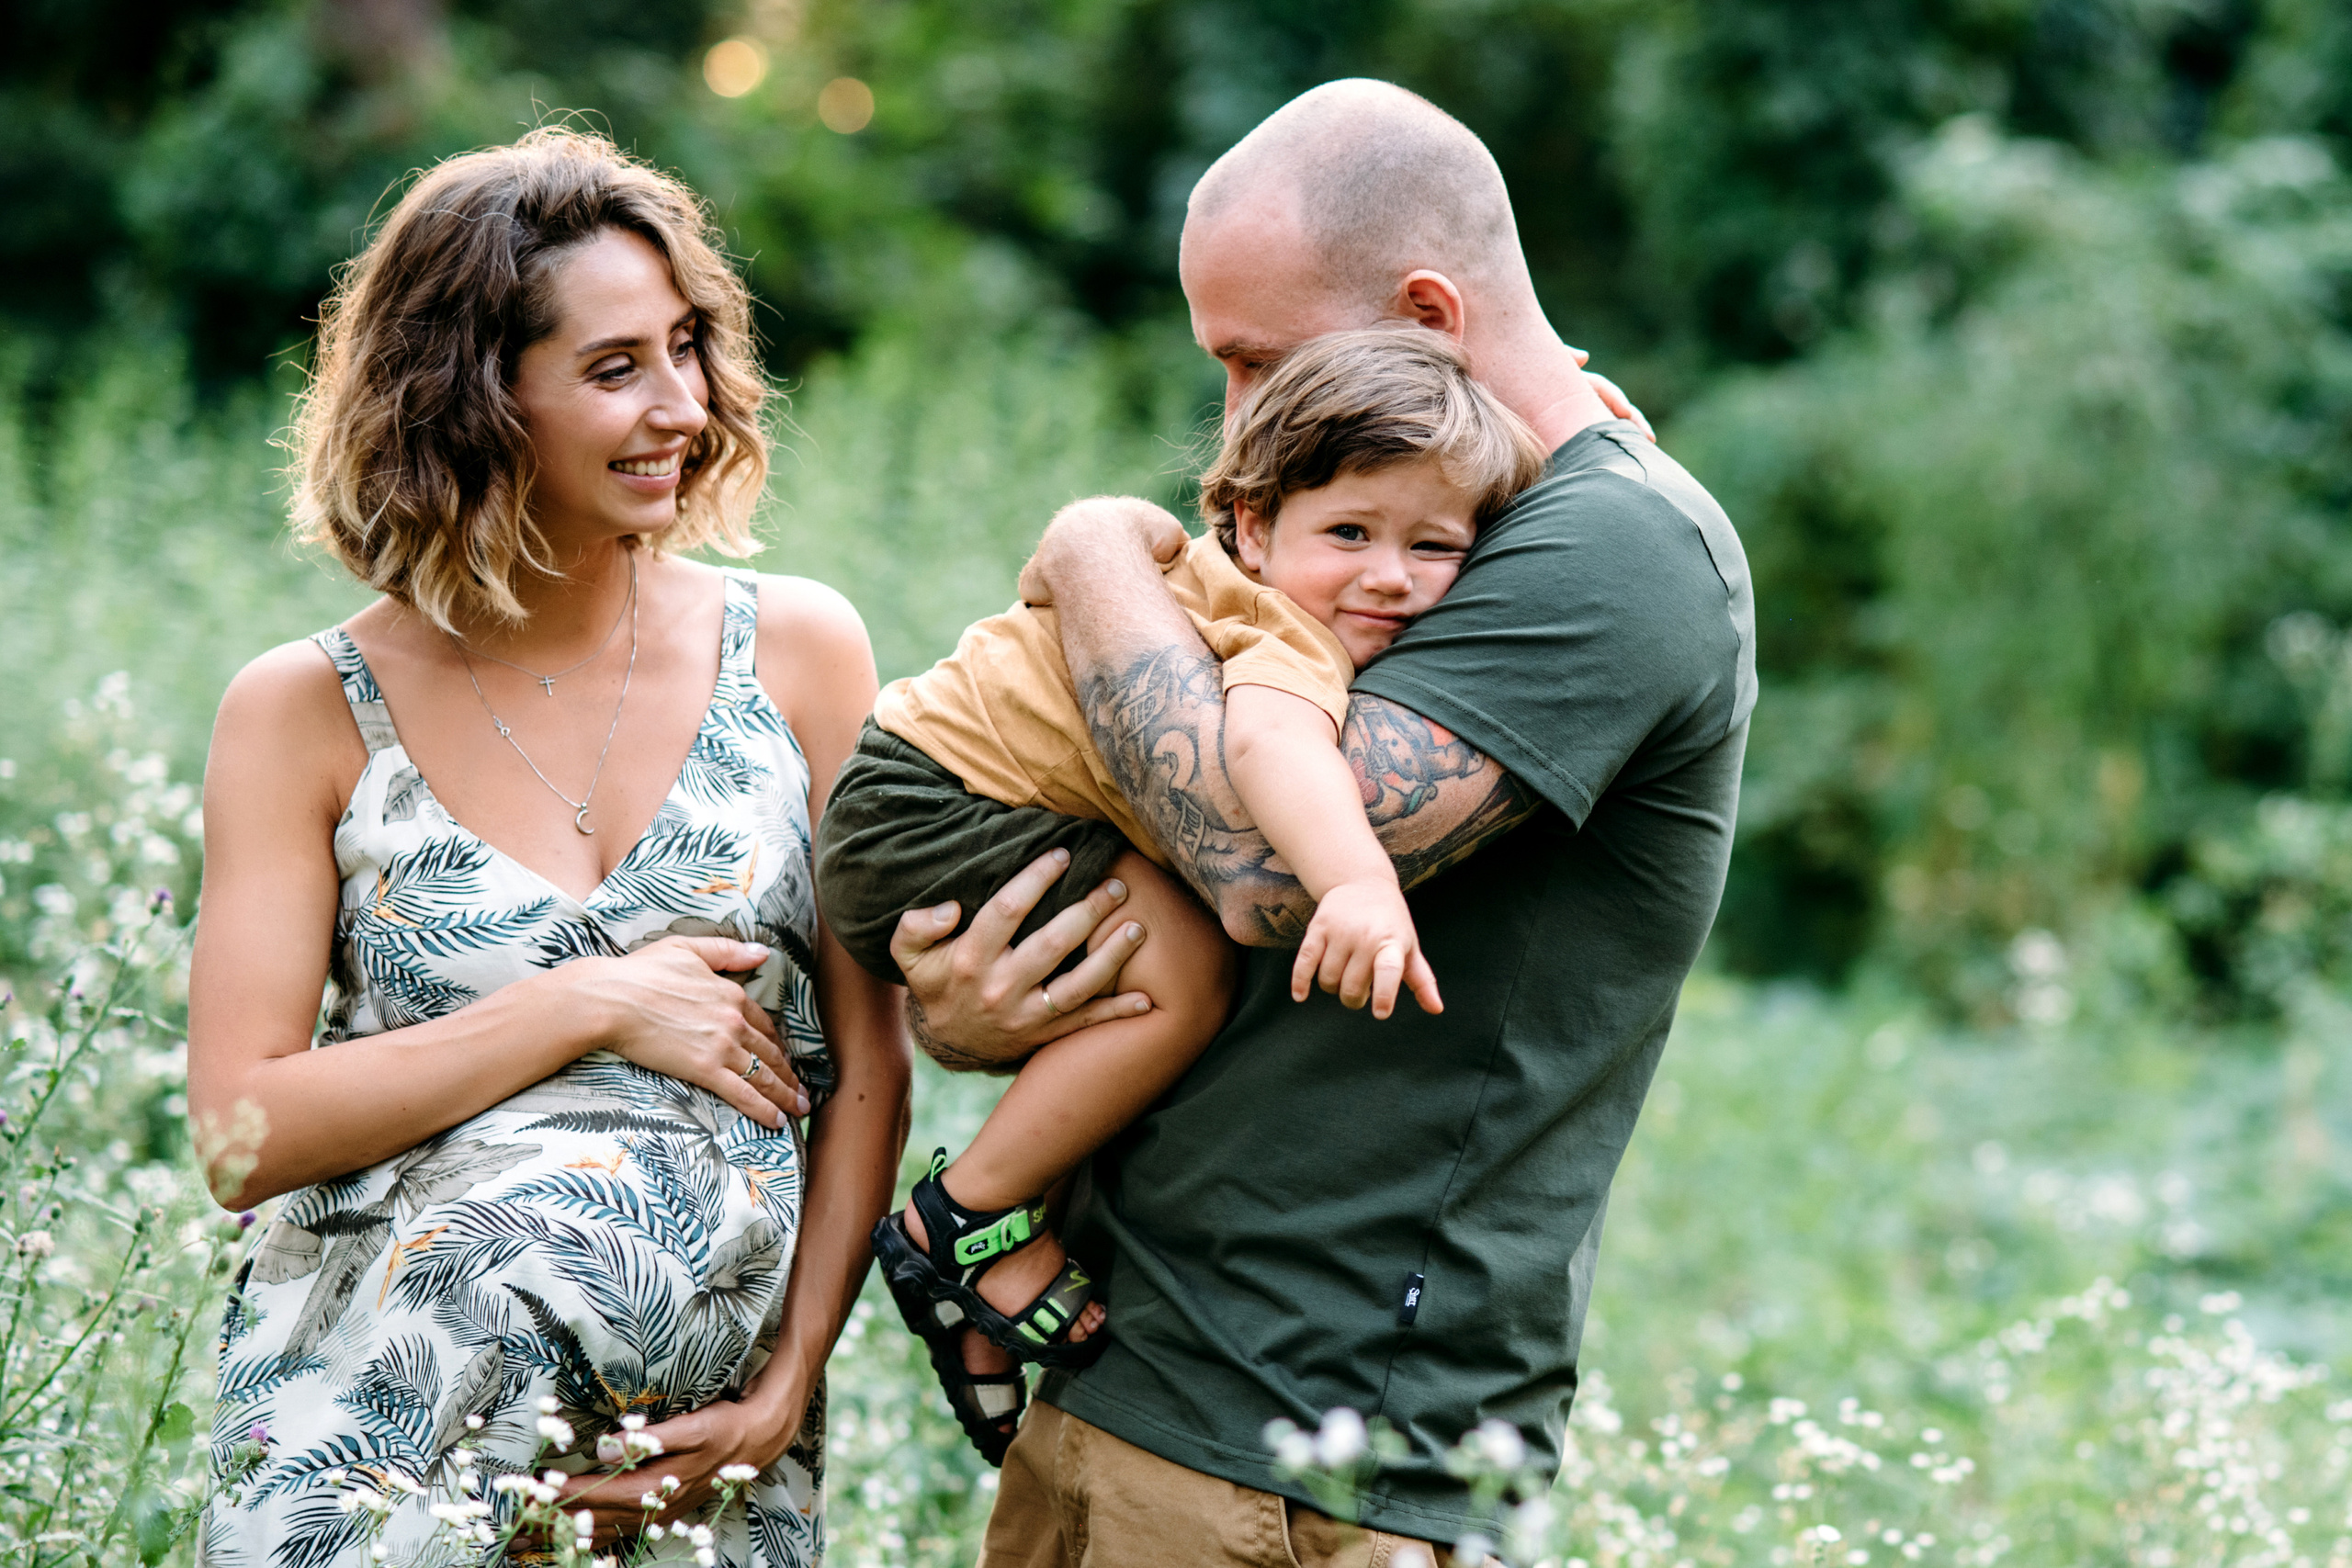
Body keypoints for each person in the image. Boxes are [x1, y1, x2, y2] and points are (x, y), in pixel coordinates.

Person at [888, 80, 1756, 1565]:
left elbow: (1254, 864)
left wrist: (1094, 553)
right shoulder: (1413, 514)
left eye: (1258, 362)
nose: (1237, 421)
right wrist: (988, 1001)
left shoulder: (1617, 544)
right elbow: (1132, 824)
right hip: (1131, 1367)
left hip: (1313, 1446)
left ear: (1428, 319)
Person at [186, 129, 909, 1566]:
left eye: (687, 347)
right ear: (471, 397)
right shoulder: (304, 710)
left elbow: (870, 1068)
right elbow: (236, 1132)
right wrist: (584, 1001)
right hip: (369, 1476)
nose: (683, 406)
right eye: (615, 367)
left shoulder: (801, 653)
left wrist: (787, 1386)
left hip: (702, 1475)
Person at [812, 328, 1547, 1461]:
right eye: (1349, 533)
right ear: (1253, 526)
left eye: (1434, 545)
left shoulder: (1196, 572)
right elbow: (1269, 745)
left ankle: (984, 1297)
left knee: (1143, 960)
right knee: (1182, 980)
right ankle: (960, 1222)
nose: (1389, 576)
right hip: (942, 812)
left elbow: (1056, 576)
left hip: (907, 792)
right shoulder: (1290, 631)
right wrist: (1357, 882)